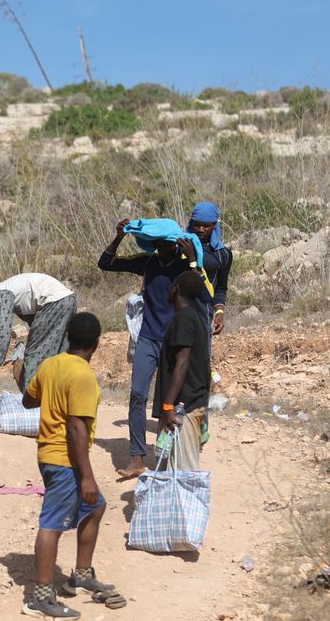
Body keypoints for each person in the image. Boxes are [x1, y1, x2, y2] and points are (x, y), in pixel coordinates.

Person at [21, 312, 125, 618]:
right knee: (51, 524)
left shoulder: (51, 364)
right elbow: (76, 428)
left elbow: (28, 401)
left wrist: (50, 392)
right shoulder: (82, 376)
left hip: (50, 457)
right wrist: (87, 478)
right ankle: (40, 597)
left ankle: (81, 576)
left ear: (67, 334)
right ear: (96, 343)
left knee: (95, 507)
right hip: (65, 460)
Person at [98, 218, 212, 480]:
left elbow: (205, 296)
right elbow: (105, 263)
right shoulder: (148, 263)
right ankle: (137, 458)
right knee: (137, 394)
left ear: (176, 244)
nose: (162, 248)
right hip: (148, 338)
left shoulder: (186, 266)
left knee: (168, 402)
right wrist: (118, 237)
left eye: (166, 244)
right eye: (157, 243)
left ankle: (166, 459)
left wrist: (194, 261)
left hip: (175, 342)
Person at [0, 273, 76, 393]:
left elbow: (4, 334)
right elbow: (35, 322)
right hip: (68, 300)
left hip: (54, 303)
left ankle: (33, 403)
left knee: (34, 356)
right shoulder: (11, 290)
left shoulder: (2, 294)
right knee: (59, 356)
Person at [155, 271, 211, 471]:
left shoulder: (185, 319)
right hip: (189, 403)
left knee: (184, 474)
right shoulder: (195, 318)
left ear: (175, 289)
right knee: (170, 470)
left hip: (183, 407)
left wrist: (169, 406)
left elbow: (183, 362)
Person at [186, 201, 233, 337]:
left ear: (215, 225)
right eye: (197, 224)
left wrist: (219, 312)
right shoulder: (179, 248)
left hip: (204, 314)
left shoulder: (222, 254)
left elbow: (220, 287)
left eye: (206, 225)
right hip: (175, 313)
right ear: (191, 223)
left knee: (199, 357)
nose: (201, 229)